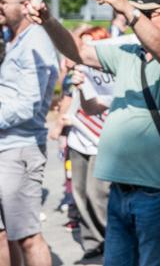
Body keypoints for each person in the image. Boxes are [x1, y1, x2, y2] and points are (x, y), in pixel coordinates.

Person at [27, 0, 160, 266]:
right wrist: (48, 21)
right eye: (138, 11)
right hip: (119, 189)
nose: (139, 17)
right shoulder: (128, 52)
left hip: (155, 191)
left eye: (149, 13)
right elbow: (79, 52)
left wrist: (129, 10)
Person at [0, 0, 58, 266]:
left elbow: (28, 104)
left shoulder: (36, 40)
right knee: (2, 234)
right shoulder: (9, 37)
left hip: (20, 148)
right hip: (4, 146)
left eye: (2, 2)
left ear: (25, 5)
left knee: (27, 236)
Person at [64, 27, 114, 260]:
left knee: (98, 194)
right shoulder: (78, 73)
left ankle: (112, 238)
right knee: (80, 193)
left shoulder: (109, 74)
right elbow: (70, 103)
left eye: (88, 46)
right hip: (78, 139)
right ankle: (92, 241)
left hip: (99, 140)